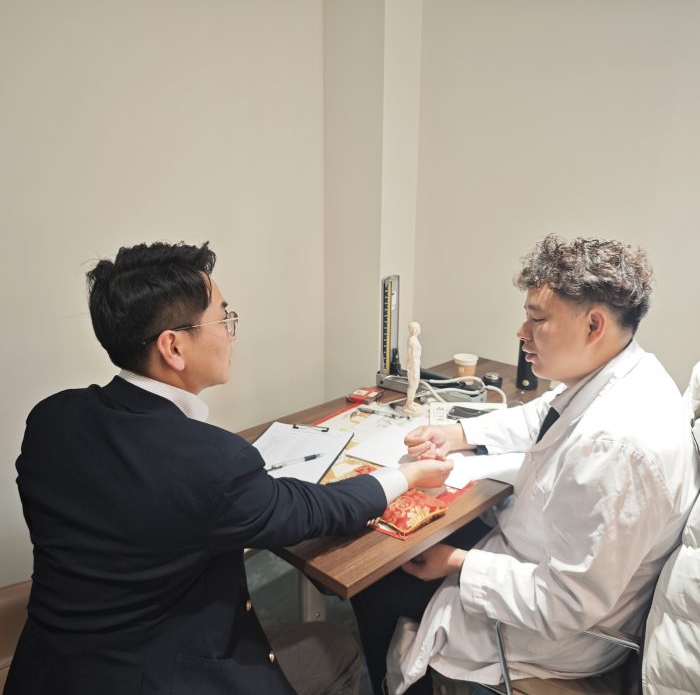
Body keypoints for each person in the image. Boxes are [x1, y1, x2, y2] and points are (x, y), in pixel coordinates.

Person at [6, 241, 453, 695]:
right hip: (164, 678)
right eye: (223, 319)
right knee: (333, 648)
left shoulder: (51, 418)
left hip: (46, 672)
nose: (231, 334)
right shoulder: (211, 462)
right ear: (173, 346)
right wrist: (407, 475)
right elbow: (313, 512)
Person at [351, 234, 700, 694]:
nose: (521, 332)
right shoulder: (630, 372)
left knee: (376, 586)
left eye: (537, 319)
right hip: (546, 561)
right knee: (428, 531)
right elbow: (545, 413)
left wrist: (456, 563)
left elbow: (565, 604)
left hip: (562, 632)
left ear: (593, 325)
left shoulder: (616, 447)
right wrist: (459, 434)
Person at [404, 322, 422, 415]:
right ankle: (409, 404)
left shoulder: (413, 339)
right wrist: (414, 371)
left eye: (416, 328)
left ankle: (410, 402)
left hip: (415, 365)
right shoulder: (412, 341)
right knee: (413, 385)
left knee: (415, 385)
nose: (414, 330)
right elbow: (414, 357)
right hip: (413, 366)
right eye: (412, 329)